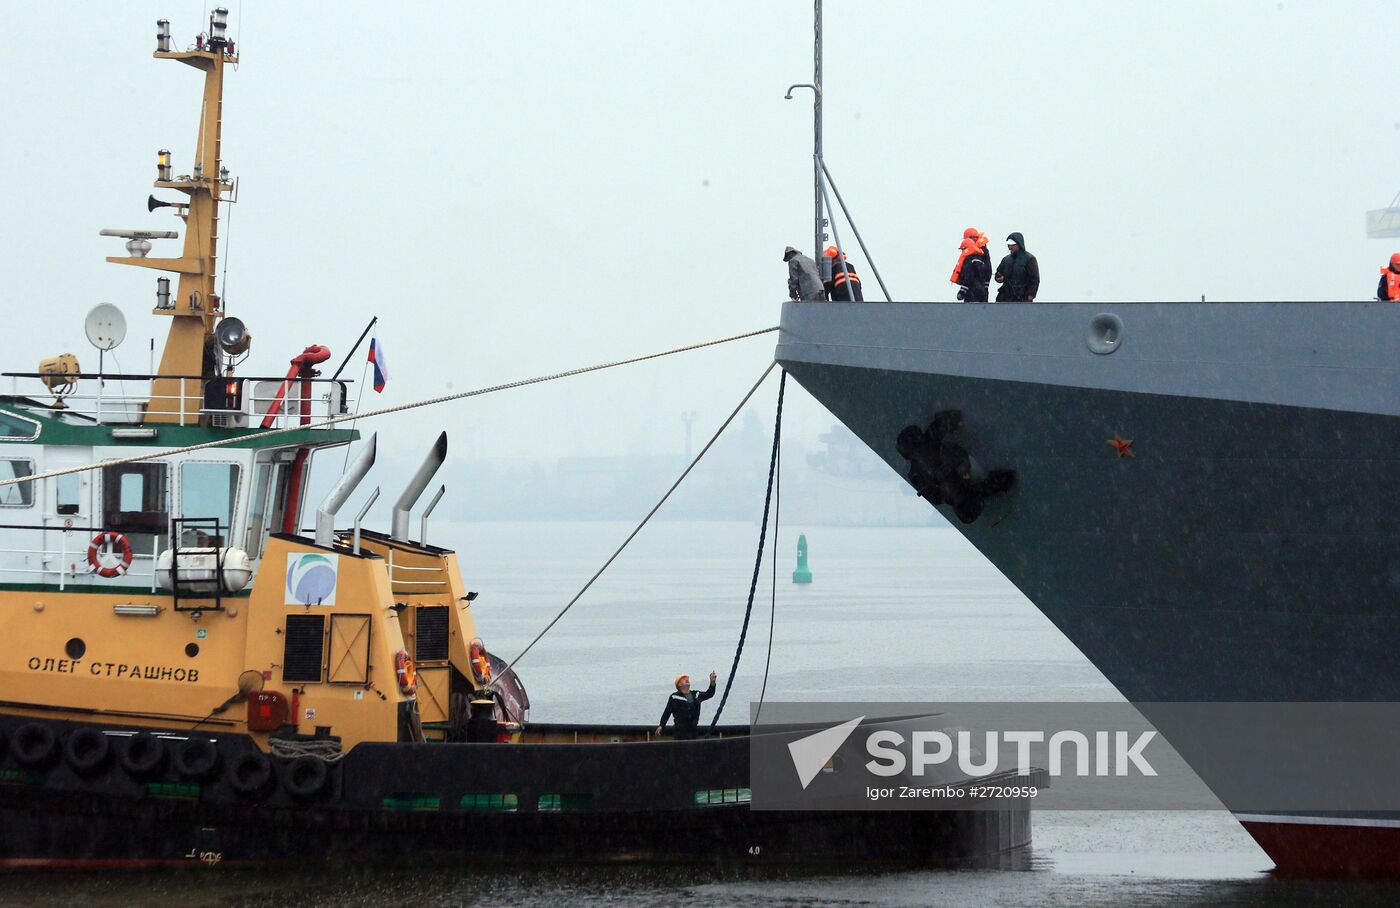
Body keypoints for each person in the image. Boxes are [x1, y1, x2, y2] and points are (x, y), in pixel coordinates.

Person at [655, 670, 717, 740]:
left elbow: (709, 694)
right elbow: (667, 712)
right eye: (683, 679)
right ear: (679, 684)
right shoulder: (674, 697)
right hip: (680, 731)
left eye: (687, 679)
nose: (687, 680)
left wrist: (712, 682)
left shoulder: (696, 694)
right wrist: (661, 725)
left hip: (693, 730)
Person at [994, 232, 1040, 302]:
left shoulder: (1030, 259)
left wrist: (1031, 295)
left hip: (1023, 297)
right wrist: (999, 278)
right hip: (1006, 297)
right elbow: (999, 274)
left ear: (1019, 244)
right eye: (1009, 245)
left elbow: (1034, 279)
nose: (1010, 247)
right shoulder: (1006, 260)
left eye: (1012, 244)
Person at [949, 227, 992, 302]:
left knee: (970, 311)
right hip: (981, 289)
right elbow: (988, 270)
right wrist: (985, 287)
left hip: (972, 291)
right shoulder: (979, 257)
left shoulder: (970, 260)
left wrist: (962, 291)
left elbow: (969, 277)